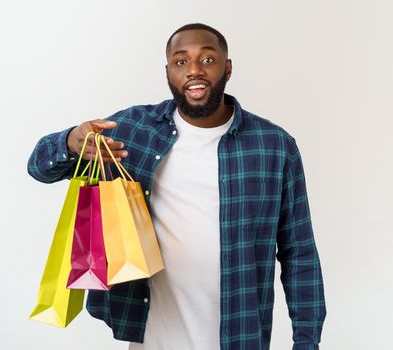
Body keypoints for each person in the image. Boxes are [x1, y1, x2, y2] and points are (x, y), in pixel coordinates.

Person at [28, 23, 326, 350]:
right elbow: (39, 168)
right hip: (151, 338)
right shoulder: (131, 131)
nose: (194, 70)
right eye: (181, 61)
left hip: (239, 337)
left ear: (227, 68)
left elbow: (299, 254)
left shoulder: (274, 146)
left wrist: (306, 342)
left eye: (208, 59)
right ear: (168, 71)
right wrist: (71, 141)